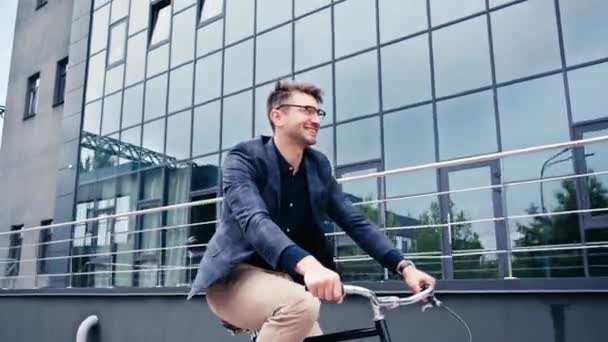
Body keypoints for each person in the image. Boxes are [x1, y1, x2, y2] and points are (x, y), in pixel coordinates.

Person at [187, 80, 435, 341]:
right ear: (277, 116)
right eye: (306, 110)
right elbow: (254, 220)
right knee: (300, 307)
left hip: (287, 283)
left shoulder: (318, 166)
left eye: (318, 112)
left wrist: (405, 267)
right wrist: (310, 266)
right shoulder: (244, 158)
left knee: (303, 313)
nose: (316, 119)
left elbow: (355, 221)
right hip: (233, 278)